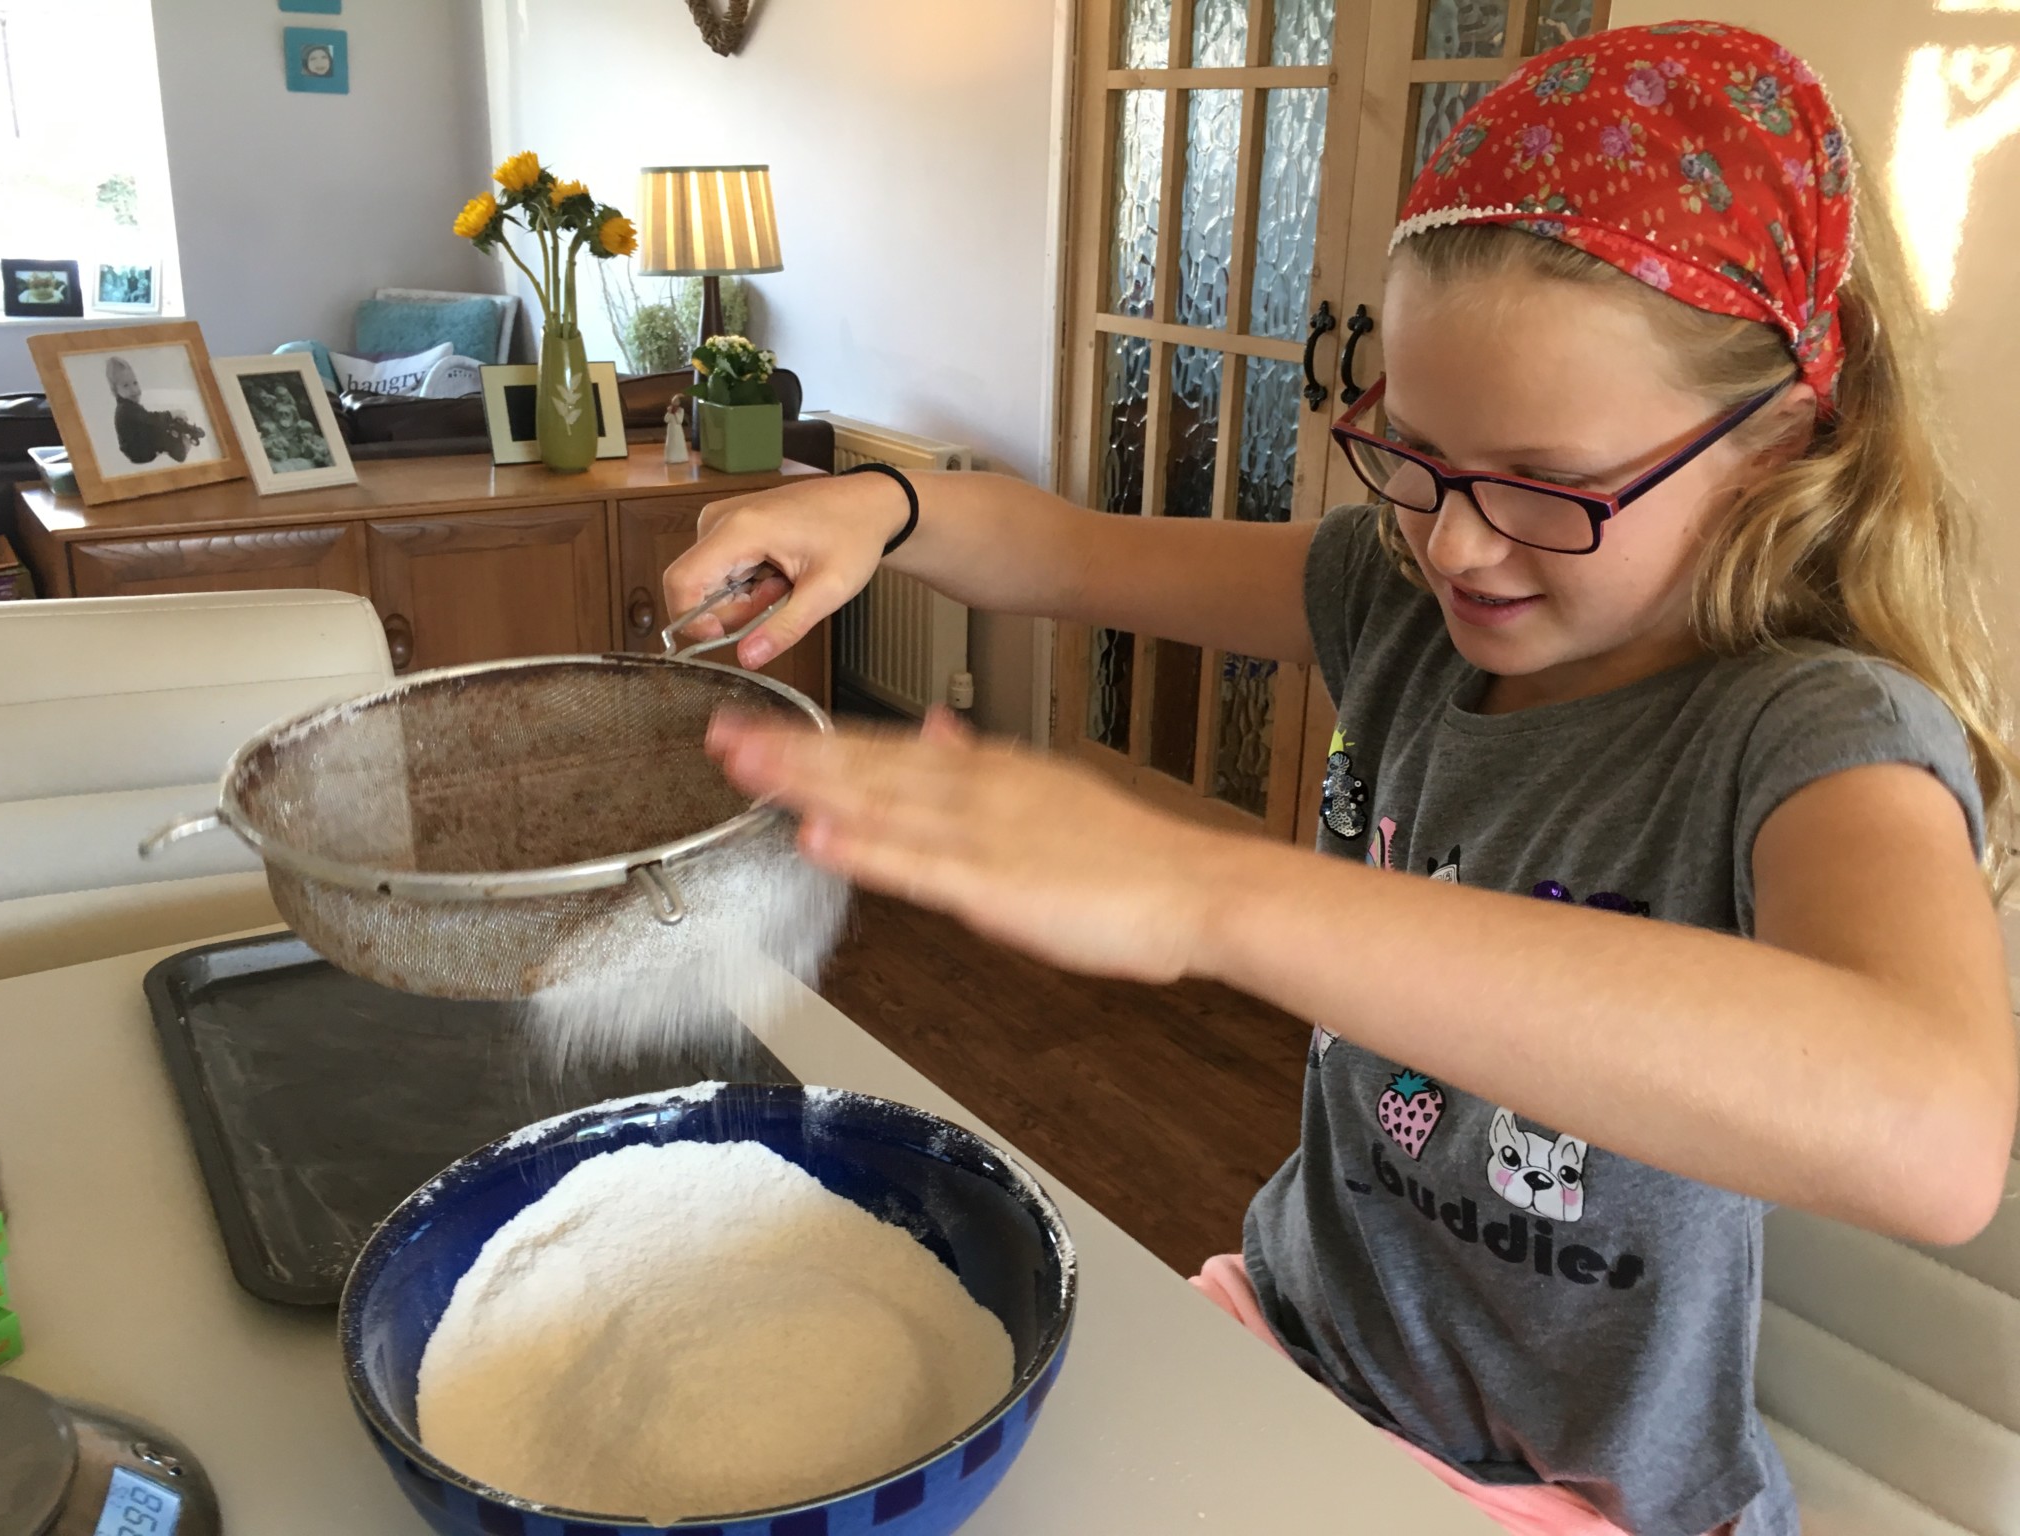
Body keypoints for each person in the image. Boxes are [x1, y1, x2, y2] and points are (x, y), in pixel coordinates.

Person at [664, 23, 2018, 1536]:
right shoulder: (1402, 601)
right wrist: (883, 506)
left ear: (1775, 447)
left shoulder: (1817, 732)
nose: (1453, 541)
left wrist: (1208, 891)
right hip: (1292, 1345)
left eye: (1543, 488)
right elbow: (1067, 550)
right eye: (1417, 455)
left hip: (1579, 1494)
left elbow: (1938, 1128)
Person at [106, 355, 205, 465]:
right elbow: (150, 419)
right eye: (126, 386)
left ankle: (183, 431)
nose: (134, 390)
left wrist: (168, 419)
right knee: (164, 434)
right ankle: (182, 451)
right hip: (139, 452)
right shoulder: (126, 409)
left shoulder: (129, 406)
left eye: (135, 383)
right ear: (115, 391)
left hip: (139, 444)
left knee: (165, 425)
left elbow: (147, 419)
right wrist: (171, 414)